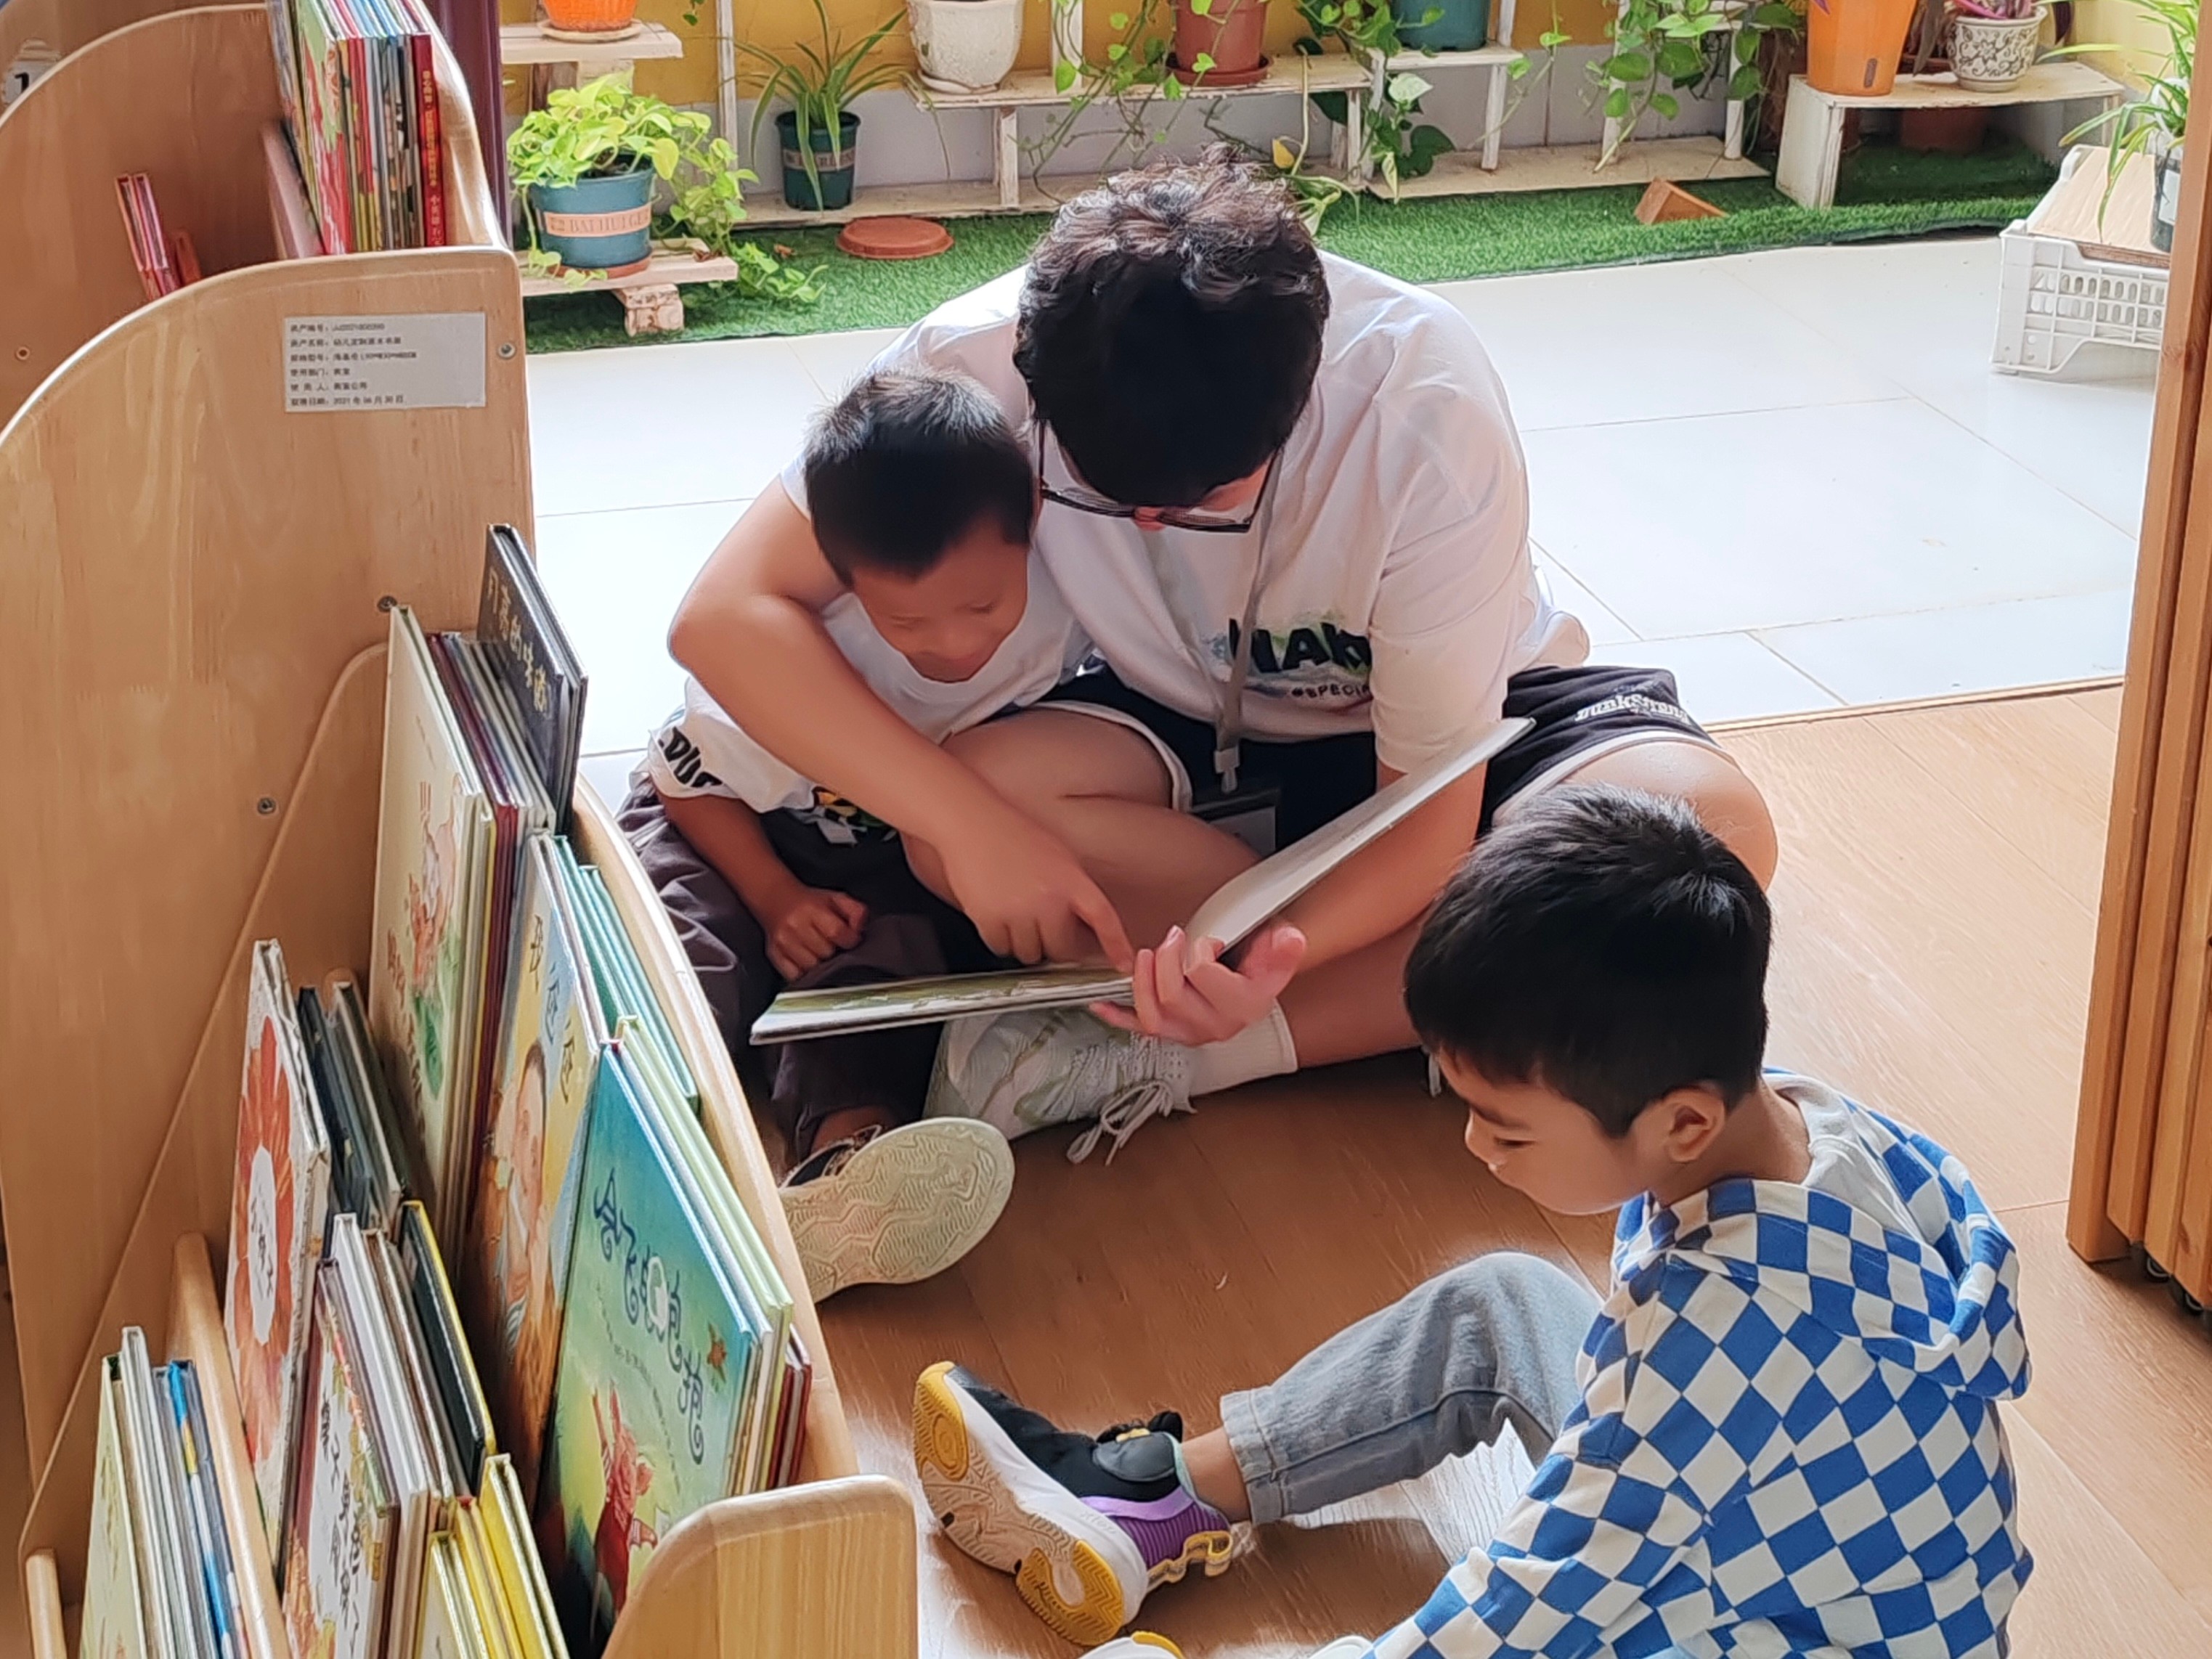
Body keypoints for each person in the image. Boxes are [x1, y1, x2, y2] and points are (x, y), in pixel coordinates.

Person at [670, 152, 1778, 1170]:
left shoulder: (1420, 404)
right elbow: (723, 614)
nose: (1153, 524)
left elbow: (1428, 818)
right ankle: (1464, 1000)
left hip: (1458, 751)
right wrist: (972, 829)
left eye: (1203, 499)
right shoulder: (975, 363)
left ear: (1299, 395)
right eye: (1107, 496)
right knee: (950, 817)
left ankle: (1185, 1053)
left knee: (1709, 833)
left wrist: (1258, 964)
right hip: (1179, 728)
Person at [910, 787, 2032, 1658]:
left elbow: (1537, 1598)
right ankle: (1150, 1499)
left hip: (1771, 1623)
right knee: (1504, 1298)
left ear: (1681, 1120)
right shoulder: (1826, 1127)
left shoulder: (1708, 1343)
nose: (1475, 1148)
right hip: (1802, 1559)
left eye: (1507, 1127)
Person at [620, 368, 1122, 1298]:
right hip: (728, 830)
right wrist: (774, 897)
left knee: (886, 974)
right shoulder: (810, 664)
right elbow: (684, 784)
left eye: (983, 606)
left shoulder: (1068, 614)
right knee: (683, 958)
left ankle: (843, 1172)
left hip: (876, 856)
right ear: (843, 580)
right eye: (906, 619)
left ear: (1033, 519)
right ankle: (634, 1142)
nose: (952, 643)